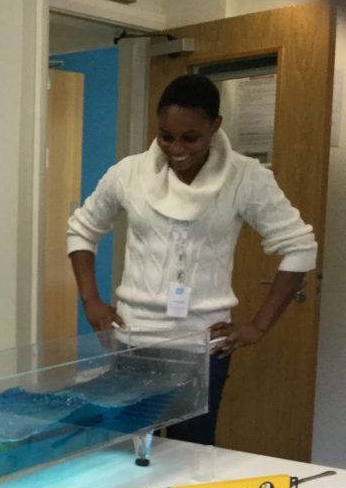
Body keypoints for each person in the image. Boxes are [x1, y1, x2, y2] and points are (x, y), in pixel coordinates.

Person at [66, 74, 317, 446]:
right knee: (123, 453)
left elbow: (300, 247)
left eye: (190, 137)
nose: (176, 148)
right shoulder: (128, 173)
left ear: (215, 127)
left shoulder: (246, 177)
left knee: (191, 454)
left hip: (202, 348)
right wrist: (90, 300)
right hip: (134, 340)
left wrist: (258, 327)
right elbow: (82, 229)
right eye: (165, 135)